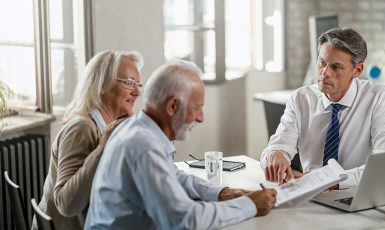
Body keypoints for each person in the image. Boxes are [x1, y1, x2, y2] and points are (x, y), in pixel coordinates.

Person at [85, 60, 277, 229]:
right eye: (197, 108)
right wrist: (250, 205)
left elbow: (173, 176)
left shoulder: (140, 129)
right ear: (172, 106)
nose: (201, 118)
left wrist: (221, 193)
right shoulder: (143, 145)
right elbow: (184, 220)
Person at [260, 27, 385, 188]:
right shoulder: (301, 98)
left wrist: (330, 180)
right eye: (322, 62)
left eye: (336, 67)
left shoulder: (378, 99)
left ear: (357, 70)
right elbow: (277, 146)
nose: (325, 73)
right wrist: (275, 155)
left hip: (355, 193)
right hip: (309, 193)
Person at [34, 50, 144, 230]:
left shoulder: (109, 125)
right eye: (130, 83)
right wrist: (103, 148)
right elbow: (66, 204)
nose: (137, 92)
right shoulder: (82, 128)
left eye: (138, 84)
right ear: (102, 85)